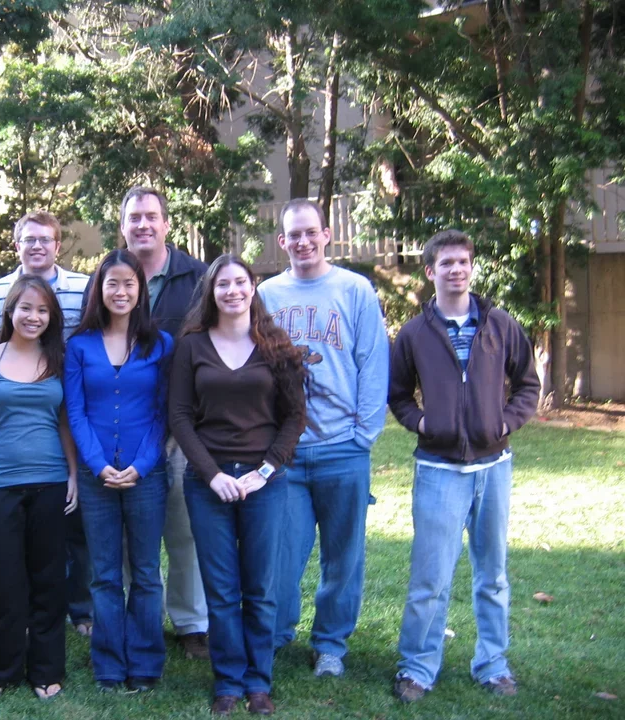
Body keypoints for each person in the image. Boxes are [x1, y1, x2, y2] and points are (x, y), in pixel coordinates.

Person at [388, 230, 540, 703]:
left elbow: (528, 385)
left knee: (492, 573)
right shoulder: (413, 333)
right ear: (430, 272)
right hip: (438, 470)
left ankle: (492, 664)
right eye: (447, 263)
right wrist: (423, 423)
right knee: (430, 577)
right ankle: (417, 666)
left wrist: (504, 423)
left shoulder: (501, 326)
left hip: (494, 467)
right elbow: (396, 395)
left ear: (472, 268)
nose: (457, 270)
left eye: (464, 262)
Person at [168, 255, 306, 715]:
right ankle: (227, 680)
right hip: (207, 483)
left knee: (261, 587)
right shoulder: (191, 346)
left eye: (240, 282)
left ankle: (258, 682)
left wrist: (263, 471)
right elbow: (180, 417)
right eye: (222, 284)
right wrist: (212, 475)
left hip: (265, 482)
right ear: (211, 292)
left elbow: (294, 417)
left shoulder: (275, 343)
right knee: (222, 589)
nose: (232, 291)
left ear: (253, 288)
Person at [258, 198, 389, 677]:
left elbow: (373, 363)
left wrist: (363, 434)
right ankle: (273, 635)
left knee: (343, 556)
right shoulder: (268, 295)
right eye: (294, 235)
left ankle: (331, 643)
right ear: (282, 241)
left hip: (342, 448)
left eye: (311, 232)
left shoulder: (354, 290)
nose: (303, 241)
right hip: (287, 453)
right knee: (280, 554)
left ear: (327, 234)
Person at [64, 249, 174, 692]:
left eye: (130, 283)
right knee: (104, 573)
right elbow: (76, 412)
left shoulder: (161, 344)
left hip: (146, 477)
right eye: (113, 283)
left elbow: (164, 413)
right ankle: (109, 662)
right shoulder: (79, 345)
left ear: (140, 289)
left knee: (145, 572)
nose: (121, 291)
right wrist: (97, 466)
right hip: (96, 480)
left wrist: (141, 466)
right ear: (99, 289)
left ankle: (145, 660)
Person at [0, 275, 79, 701]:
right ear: (10, 311)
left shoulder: (59, 362)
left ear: (51, 317)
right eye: (26, 308)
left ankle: (47, 670)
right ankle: (4, 670)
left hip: (51, 483)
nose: (33, 317)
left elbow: (66, 423)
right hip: (0, 485)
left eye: (43, 310)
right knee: (4, 581)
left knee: (49, 580)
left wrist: (72, 475)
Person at [0, 210, 93, 636]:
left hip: (68, 410)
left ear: (58, 245)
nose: (37, 246)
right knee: (17, 530)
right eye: (29, 239)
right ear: (17, 245)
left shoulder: (84, 289)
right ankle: (19, 609)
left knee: (72, 522)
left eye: (45, 239)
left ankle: (79, 608)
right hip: (12, 419)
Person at [119, 186, 210, 659]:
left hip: (183, 425)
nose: (143, 225)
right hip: (127, 427)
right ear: (123, 225)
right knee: (132, 530)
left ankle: (192, 622)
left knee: (184, 528)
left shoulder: (197, 278)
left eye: (151, 216)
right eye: (134, 217)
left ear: (167, 223)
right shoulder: (111, 274)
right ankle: (139, 617)